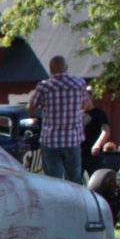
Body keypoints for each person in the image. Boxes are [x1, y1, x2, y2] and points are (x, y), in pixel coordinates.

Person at [28, 55, 94, 184]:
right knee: (74, 179)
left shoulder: (44, 86)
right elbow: (86, 104)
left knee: (54, 181)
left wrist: (35, 112)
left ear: (50, 69)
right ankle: (74, 202)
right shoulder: (79, 83)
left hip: (50, 140)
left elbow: (31, 108)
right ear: (66, 68)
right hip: (72, 139)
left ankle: (58, 203)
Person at [83, 103, 110, 177]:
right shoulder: (76, 113)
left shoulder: (99, 113)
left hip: (93, 153)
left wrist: (97, 144)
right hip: (78, 151)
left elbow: (105, 131)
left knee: (95, 178)